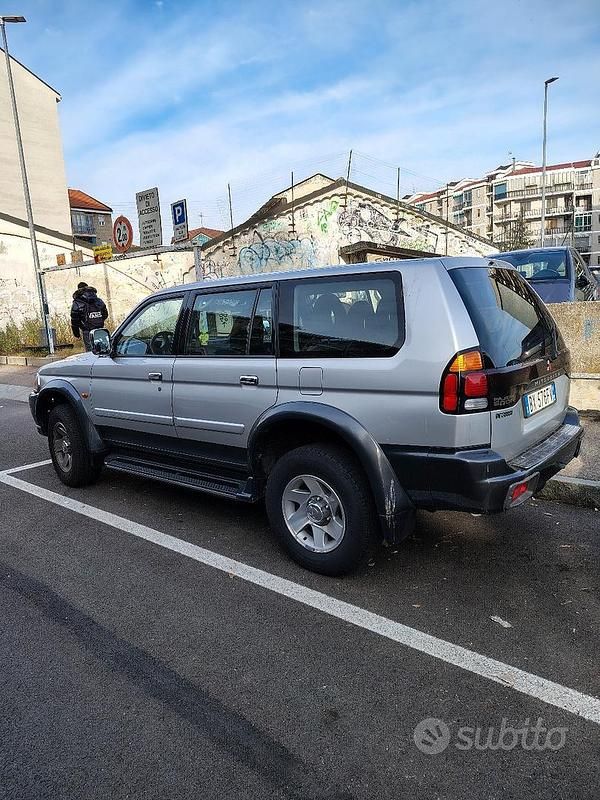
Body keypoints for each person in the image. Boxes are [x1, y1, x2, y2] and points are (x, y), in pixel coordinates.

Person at [70, 282, 108, 352]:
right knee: (104, 350)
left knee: (91, 352)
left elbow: (75, 321)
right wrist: (98, 321)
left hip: (87, 331)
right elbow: (105, 314)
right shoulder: (98, 300)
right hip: (100, 329)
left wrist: (77, 334)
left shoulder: (77, 302)